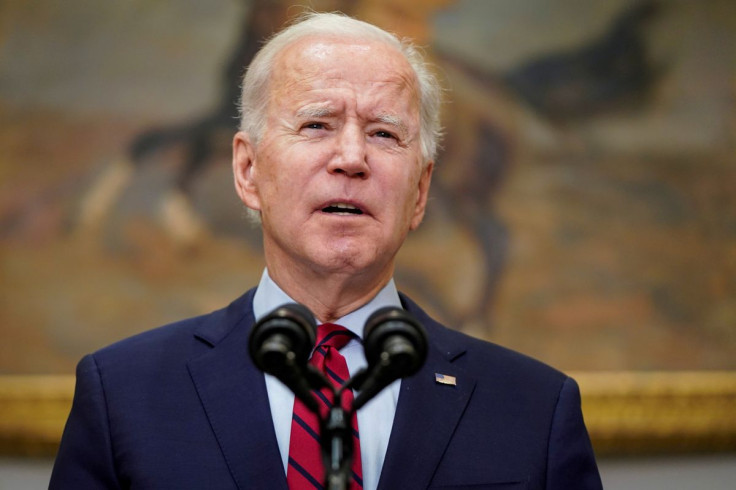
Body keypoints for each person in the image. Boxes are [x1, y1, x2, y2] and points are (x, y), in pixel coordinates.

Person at [50, 12, 602, 490]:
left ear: (421, 191)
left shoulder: (533, 408)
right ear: (247, 171)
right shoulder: (123, 395)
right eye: (317, 125)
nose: (352, 158)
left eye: (385, 134)